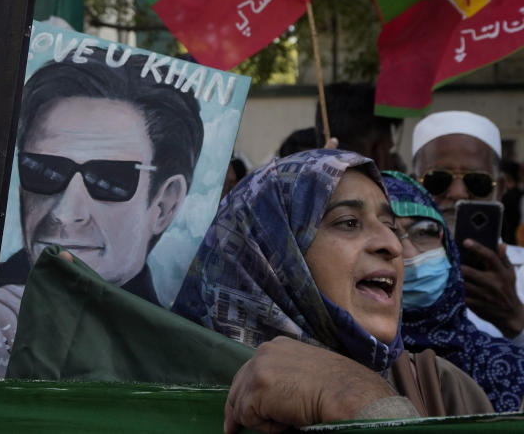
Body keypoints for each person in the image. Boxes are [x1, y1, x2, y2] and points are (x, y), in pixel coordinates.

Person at [0, 49, 204, 377]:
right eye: (43, 170)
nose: (66, 212)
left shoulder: (183, 356)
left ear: (164, 204)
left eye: (108, 180)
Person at [172, 149, 492, 431]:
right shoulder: (170, 392)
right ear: (270, 252)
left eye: (389, 225)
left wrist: (360, 400)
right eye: (349, 222)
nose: (392, 245)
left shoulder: (442, 389)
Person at [383, 170, 524, 412]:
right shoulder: (329, 369)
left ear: (448, 247)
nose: (409, 254)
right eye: (388, 232)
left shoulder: (511, 364)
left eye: (425, 231)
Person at [412, 110, 524, 344]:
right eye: (438, 180)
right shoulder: (386, 269)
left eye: (477, 182)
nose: (458, 194)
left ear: (500, 189)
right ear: (413, 184)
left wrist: (515, 320)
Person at [315, 82, 401, 169]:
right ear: (378, 153)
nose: (392, 160)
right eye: (389, 151)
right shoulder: (399, 182)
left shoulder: (305, 176)